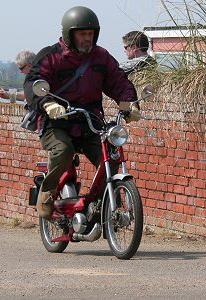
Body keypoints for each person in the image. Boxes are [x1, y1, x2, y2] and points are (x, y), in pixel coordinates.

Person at [24, 6, 141, 219]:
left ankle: (101, 204)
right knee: (63, 150)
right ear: (70, 34)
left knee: (111, 156)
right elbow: (34, 81)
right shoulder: (51, 56)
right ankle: (47, 192)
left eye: (90, 34)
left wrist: (129, 105)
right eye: (82, 34)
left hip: (90, 121)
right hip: (56, 121)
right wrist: (47, 104)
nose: (87, 39)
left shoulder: (101, 57)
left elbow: (119, 82)